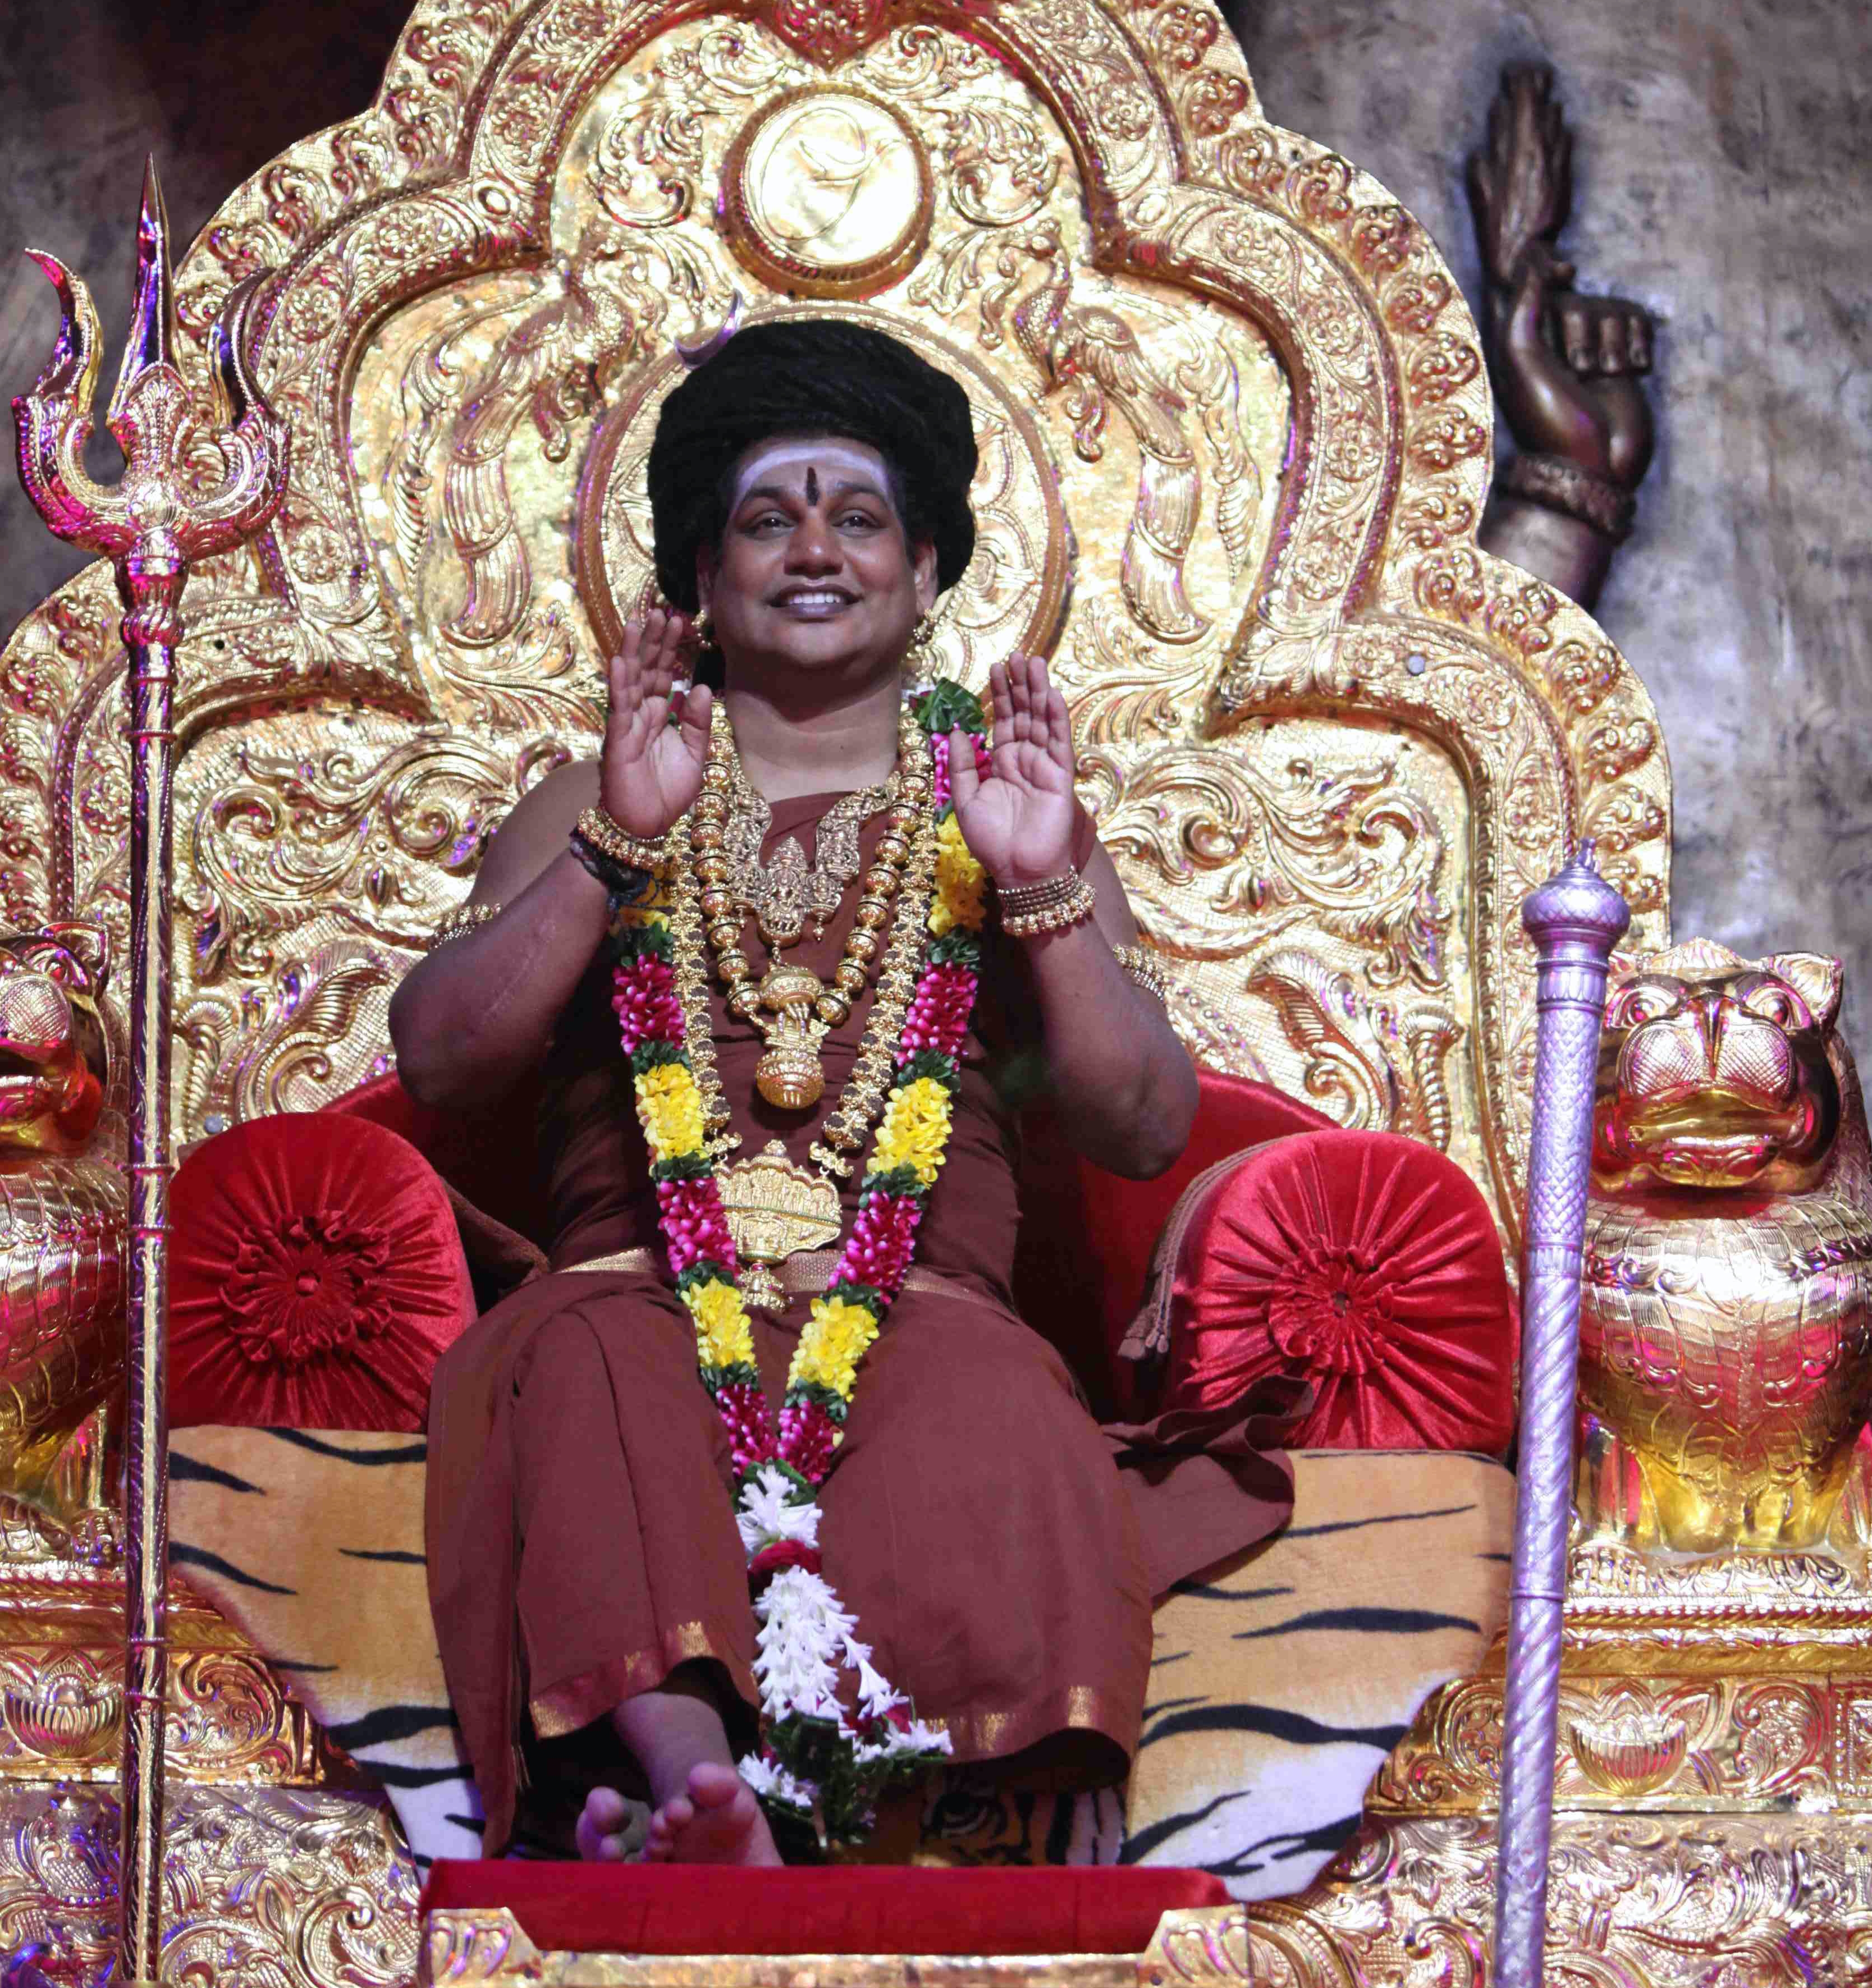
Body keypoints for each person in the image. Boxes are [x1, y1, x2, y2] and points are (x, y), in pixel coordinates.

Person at [395, 318, 1293, 1867]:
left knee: (991, 1393)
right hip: (640, 1293)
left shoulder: (1008, 806)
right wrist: (615, 847)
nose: (813, 550)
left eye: (858, 517)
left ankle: (884, 1823)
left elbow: (1143, 1124)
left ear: (926, 572)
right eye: (767, 519)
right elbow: (440, 1059)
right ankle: (703, 1796)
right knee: (586, 1357)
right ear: (704, 576)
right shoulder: (593, 795)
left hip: (919, 1310)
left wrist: (1042, 894)